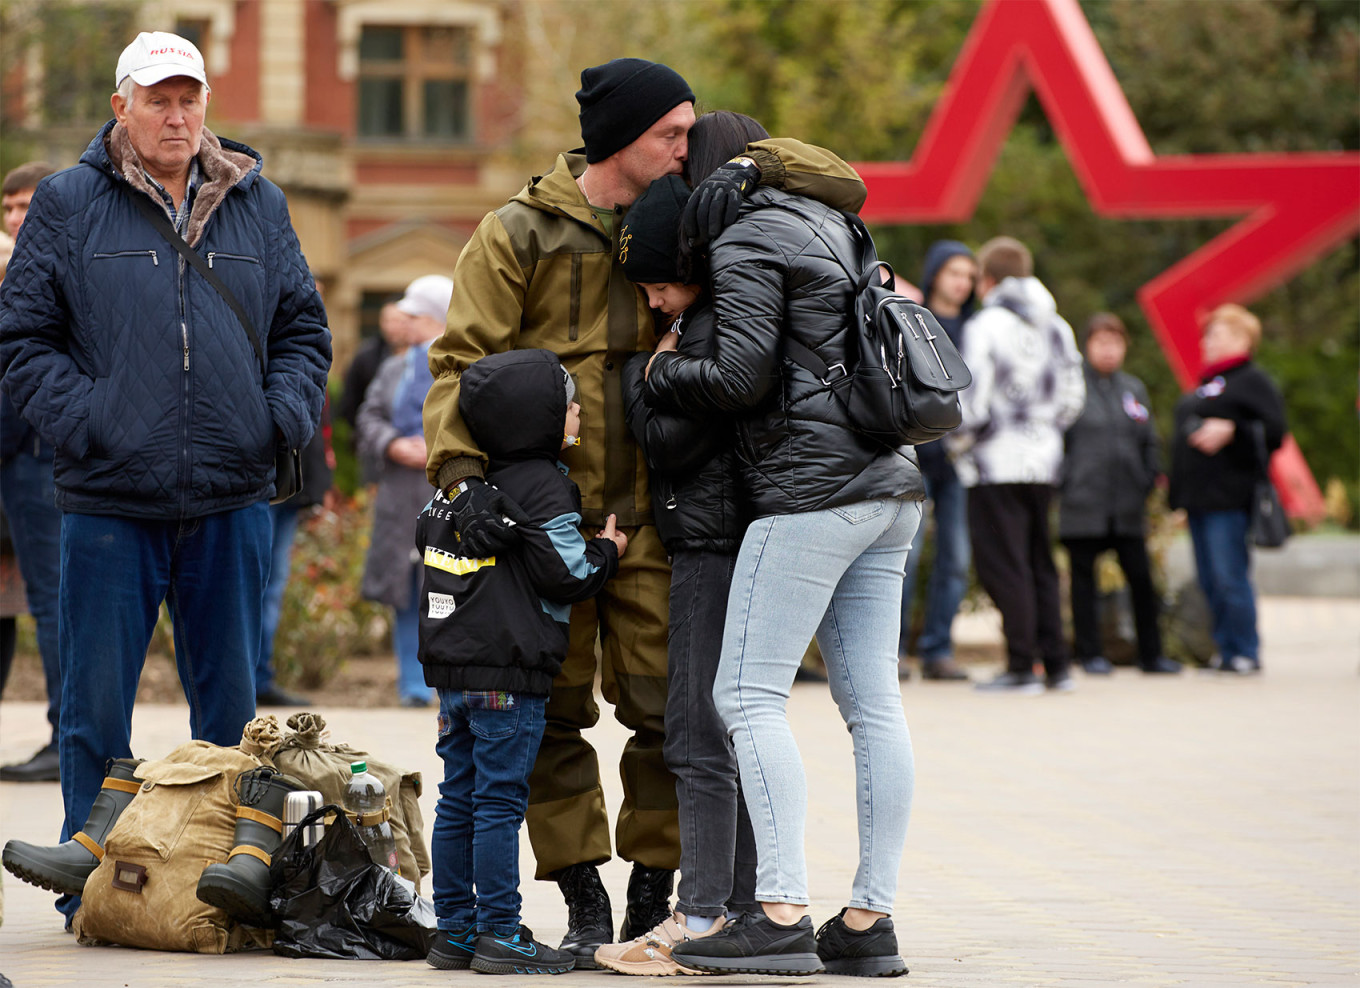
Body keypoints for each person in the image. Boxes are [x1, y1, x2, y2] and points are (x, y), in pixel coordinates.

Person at [421, 57, 870, 966]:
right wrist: (463, 482)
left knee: (675, 713)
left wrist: (752, 166)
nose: (685, 147)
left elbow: (843, 182)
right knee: (547, 716)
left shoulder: (701, 206)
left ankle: (653, 896)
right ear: (618, 138)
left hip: (658, 517)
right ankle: (581, 893)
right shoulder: (517, 232)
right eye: (669, 132)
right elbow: (459, 361)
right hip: (534, 525)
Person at [0, 31, 330, 921]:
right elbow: (22, 343)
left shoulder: (257, 203)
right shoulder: (69, 203)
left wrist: (277, 419)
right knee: (92, 709)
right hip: (109, 499)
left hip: (231, 496)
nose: (177, 114)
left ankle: (213, 890)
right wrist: (92, 423)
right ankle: (94, 895)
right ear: (123, 108)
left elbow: (303, 326)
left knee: (230, 709)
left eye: (189, 97)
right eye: (158, 99)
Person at [638, 110, 922, 979]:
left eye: (689, 161)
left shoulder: (748, 236)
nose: (680, 174)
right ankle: (869, 919)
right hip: (893, 482)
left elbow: (739, 375)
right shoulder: (833, 220)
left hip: (811, 491)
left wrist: (658, 372)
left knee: (745, 696)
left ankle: (779, 913)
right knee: (873, 705)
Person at [420, 349, 626, 975]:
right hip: (511, 675)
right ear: (538, 420)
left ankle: (454, 930)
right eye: (569, 403)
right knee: (501, 803)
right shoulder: (544, 485)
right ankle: (502, 933)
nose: (579, 412)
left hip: (453, 675)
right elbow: (565, 574)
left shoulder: (453, 495)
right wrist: (608, 551)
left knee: (457, 798)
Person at [603, 167, 756, 975]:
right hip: (730, 539)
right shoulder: (726, 317)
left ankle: (700, 918)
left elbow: (670, 442)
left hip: (711, 542)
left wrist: (642, 374)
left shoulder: (702, 332)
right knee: (735, 729)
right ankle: (750, 909)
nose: (655, 303)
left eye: (659, 284)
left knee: (697, 735)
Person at [948, 236, 1085, 694]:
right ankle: (1058, 666)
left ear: (987, 280)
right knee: (1039, 561)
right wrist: (1046, 434)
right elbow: (1073, 398)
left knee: (1004, 565)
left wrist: (957, 444)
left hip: (994, 462)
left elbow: (972, 399)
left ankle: (1022, 666)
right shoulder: (1058, 326)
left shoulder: (986, 324)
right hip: (1043, 461)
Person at [1060, 313, 1181, 676]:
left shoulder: (1134, 388)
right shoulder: (1072, 387)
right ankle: (1090, 653)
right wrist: (1066, 482)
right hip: (1083, 504)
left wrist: (1146, 479)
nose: (1109, 350)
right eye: (1101, 342)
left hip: (1126, 504)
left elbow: (1149, 440)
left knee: (1142, 581)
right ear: (1087, 347)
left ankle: (1152, 655)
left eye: (1116, 342)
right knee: (1084, 585)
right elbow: (1059, 442)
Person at [1169, 304, 1286, 675]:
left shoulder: (1252, 380)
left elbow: (1275, 430)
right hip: (1200, 499)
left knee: (1229, 573)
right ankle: (1224, 648)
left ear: (1240, 338)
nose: (1207, 342)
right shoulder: (1207, 383)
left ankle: (1245, 650)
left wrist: (1232, 430)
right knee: (1208, 578)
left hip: (1229, 498)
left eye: (1215, 334)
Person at [358, 275, 452, 707]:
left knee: (450, 586)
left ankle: (448, 679)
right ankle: (412, 685)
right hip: (400, 493)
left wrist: (437, 448)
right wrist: (394, 444)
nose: (406, 323)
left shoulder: (466, 363)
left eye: (414, 315)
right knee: (403, 590)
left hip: (448, 489)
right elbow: (369, 416)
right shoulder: (394, 366)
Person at [0, 161, 62, 781]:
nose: (16, 219)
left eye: (27, 206)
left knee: (54, 604)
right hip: (14, 466)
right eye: (8, 209)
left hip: (38, 461)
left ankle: (63, 738)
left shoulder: (57, 268)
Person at [897, 240, 977, 682]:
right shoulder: (910, 320)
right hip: (916, 458)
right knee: (905, 559)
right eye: (954, 273)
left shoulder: (979, 328)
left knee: (957, 559)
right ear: (934, 274)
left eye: (968, 275)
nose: (961, 283)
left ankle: (938, 650)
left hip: (961, 465)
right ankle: (892, 654)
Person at [338, 300, 413, 440]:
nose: (391, 327)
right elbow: (350, 402)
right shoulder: (366, 356)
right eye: (386, 320)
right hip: (373, 440)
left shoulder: (423, 355)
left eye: (397, 321)